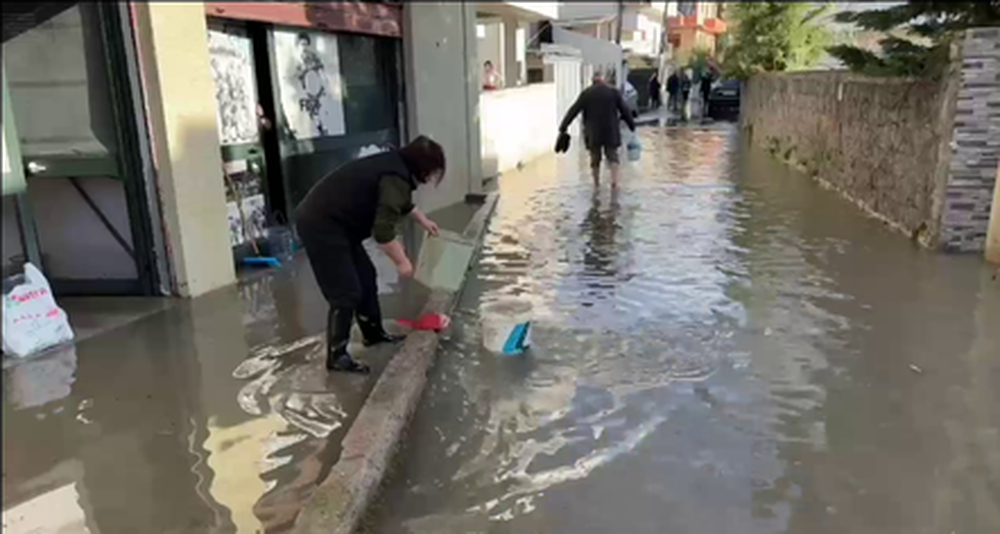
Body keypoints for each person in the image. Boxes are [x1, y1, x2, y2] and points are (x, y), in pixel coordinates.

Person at [295, 136, 445, 374]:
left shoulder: (395, 166)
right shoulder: (395, 177)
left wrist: (422, 219)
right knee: (346, 292)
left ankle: (373, 334)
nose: (431, 178)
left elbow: (399, 201)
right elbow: (383, 232)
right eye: (433, 172)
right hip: (321, 225)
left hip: (340, 225)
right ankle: (337, 356)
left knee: (366, 276)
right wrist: (402, 261)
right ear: (423, 167)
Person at [557, 71, 637, 188]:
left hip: (594, 133)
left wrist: (563, 127)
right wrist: (632, 125)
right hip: (611, 131)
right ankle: (614, 182)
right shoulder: (613, 92)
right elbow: (625, 110)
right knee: (613, 157)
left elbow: (573, 111)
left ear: (592, 80)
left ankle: (596, 183)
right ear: (603, 79)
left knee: (595, 159)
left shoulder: (586, 94)